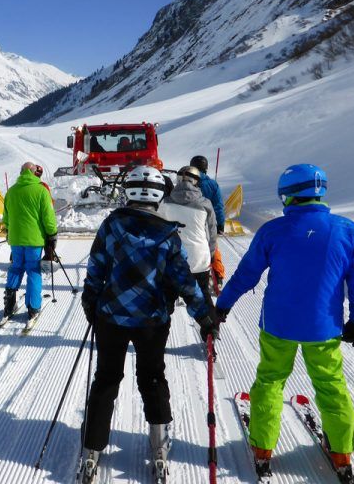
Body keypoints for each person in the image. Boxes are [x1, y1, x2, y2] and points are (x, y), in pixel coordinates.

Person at [215, 164, 354, 482]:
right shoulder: (347, 230)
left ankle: (262, 449)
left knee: (271, 382)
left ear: (287, 195)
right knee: (331, 386)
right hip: (324, 328)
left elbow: (246, 274)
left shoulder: (273, 231)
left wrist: (223, 306)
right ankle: (342, 452)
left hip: (278, 326)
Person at [80, 165, 218, 480]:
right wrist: (204, 319)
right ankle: (159, 445)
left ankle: (92, 449)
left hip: (111, 318)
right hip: (152, 322)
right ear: (158, 197)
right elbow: (186, 283)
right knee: (152, 378)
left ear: (128, 192)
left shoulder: (111, 226)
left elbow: (96, 269)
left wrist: (91, 304)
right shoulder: (169, 235)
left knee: (106, 380)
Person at [2, 162, 58, 319]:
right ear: (34, 173)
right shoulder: (41, 190)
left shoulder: (11, 191)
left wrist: (9, 231)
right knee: (33, 270)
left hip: (15, 240)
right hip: (34, 240)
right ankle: (33, 308)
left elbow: (6, 219)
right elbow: (48, 218)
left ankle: (9, 305)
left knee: (16, 267)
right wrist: (52, 233)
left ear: (21, 172)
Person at [159, 165, 218, 313]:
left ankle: (159, 328)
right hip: (199, 260)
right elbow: (212, 234)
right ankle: (211, 328)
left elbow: (158, 231)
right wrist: (210, 256)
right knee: (203, 296)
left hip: (172, 260)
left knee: (164, 300)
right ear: (196, 182)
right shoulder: (205, 204)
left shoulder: (165, 202)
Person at [190, 155, 226, 289]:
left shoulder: (189, 181)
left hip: (192, 221)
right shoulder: (212, 184)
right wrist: (220, 224)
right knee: (213, 248)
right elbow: (218, 206)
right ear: (206, 168)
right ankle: (218, 276)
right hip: (209, 223)